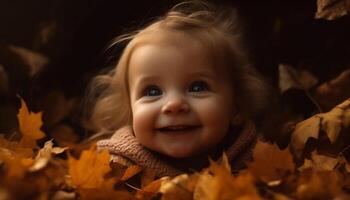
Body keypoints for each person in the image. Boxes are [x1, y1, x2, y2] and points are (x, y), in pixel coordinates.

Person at [88, 1, 271, 178]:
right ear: (130, 110)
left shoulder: (261, 162)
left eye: (197, 87)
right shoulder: (115, 169)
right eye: (152, 92)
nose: (174, 104)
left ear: (235, 106)